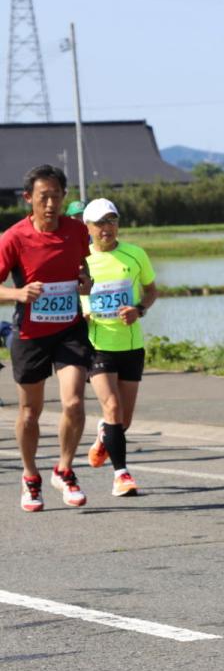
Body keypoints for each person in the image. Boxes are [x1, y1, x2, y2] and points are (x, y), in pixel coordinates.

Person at [0, 165, 93, 511]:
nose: (51, 204)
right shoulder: (13, 237)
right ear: (29, 199)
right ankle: (30, 477)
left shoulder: (77, 230)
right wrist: (18, 293)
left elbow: (83, 268)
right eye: (44, 197)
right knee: (29, 412)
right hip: (30, 333)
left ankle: (64, 470)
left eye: (57, 196)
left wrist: (86, 281)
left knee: (73, 403)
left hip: (69, 328)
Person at [80, 198, 158, 498]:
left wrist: (138, 309)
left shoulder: (135, 254)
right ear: (87, 227)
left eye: (111, 221)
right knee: (111, 407)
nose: (106, 228)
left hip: (131, 345)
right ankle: (121, 475)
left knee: (123, 420)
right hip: (97, 345)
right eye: (99, 223)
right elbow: (65, 291)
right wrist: (81, 311)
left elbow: (152, 291)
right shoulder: (80, 258)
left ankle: (105, 436)